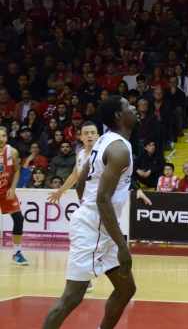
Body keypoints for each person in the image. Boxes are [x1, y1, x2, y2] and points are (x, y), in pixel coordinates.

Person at [41, 96, 141, 328]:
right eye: (128, 106)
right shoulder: (118, 149)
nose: (133, 107)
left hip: (98, 221)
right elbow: (102, 198)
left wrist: (88, 208)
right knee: (72, 296)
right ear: (118, 116)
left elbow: (82, 179)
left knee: (127, 288)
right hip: (95, 224)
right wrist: (123, 246)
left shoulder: (105, 140)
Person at [0, 127, 27, 265]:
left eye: (3, 135)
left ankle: (17, 253)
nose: (1, 139)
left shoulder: (13, 152)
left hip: (5, 190)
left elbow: (16, 170)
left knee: (18, 218)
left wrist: (12, 188)